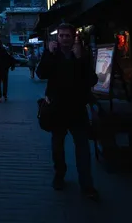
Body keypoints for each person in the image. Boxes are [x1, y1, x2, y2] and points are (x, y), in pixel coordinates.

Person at [36, 24, 99, 200]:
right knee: (57, 148)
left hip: (77, 110)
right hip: (57, 110)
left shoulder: (81, 55)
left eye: (67, 35)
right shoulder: (52, 54)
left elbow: (92, 79)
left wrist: (79, 60)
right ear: (58, 38)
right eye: (61, 35)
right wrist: (48, 53)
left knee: (83, 149)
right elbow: (41, 73)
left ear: (73, 37)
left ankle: (87, 185)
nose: (64, 38)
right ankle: (59, 174)